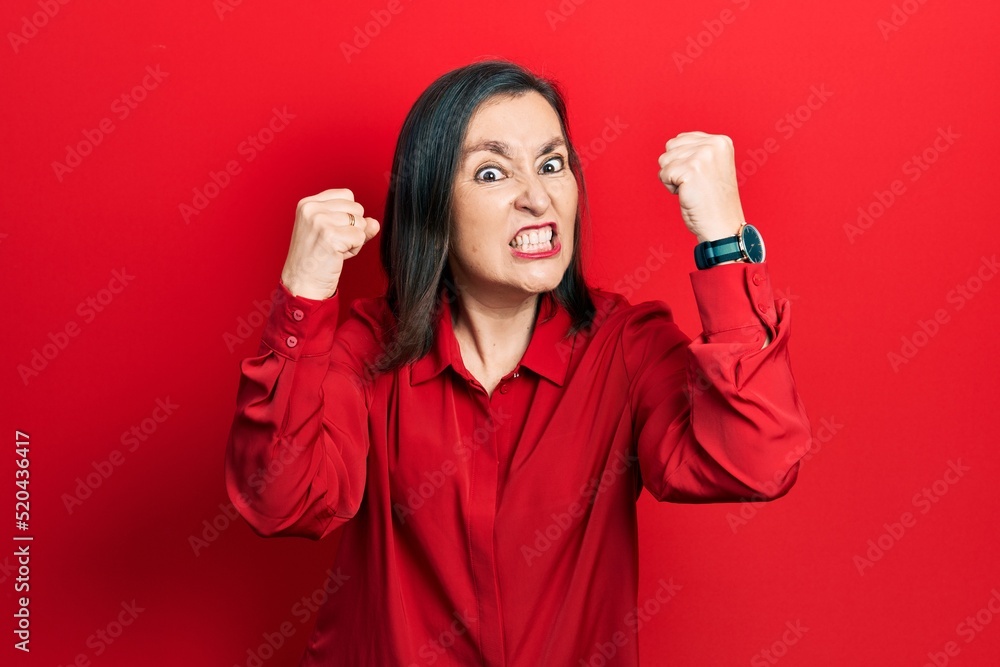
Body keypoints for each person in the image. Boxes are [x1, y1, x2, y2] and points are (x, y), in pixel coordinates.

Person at [225, 59, 811, 666]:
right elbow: (280, 501)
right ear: (433, 207)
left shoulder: (626, 348)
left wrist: (724, 240)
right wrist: (304, 294)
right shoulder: (370, 349)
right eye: (492, 172)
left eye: (552, 165)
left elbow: (756, 461)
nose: (538, 197)